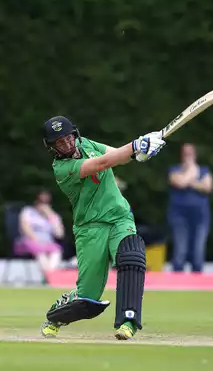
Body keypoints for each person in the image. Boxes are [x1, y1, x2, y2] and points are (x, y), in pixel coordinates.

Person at [39, 116, 165, 340]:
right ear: (52, 148)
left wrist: (138, 153)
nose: (67, 144)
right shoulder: (62, 169)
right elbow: (102, 163)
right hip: (90, 229)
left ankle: (128, 321)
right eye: (59, 142)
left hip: (119, 218)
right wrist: (136, 145)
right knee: (87, 299)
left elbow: (115, 154)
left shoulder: (86, 143)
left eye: (68, 138)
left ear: (74, 135)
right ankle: (56, 315)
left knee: (132, 257)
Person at [167, 143, 213, 272]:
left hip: (200, 216)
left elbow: (208, 187)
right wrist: (192, 173)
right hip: (179, 216)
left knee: (198, 250)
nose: (188, 156)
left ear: (195, 155)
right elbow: (179, 183)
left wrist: (188, 181)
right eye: (185, 154)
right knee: (180, 249)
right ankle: (177, 279)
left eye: (190, 153)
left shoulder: (205, 170)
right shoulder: (174, 169)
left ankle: (198, 280)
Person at [17, 189, 65, 277]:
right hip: (30, 241)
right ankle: (49, 277)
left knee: (56, 251)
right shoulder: (28, 211)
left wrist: (51, 217)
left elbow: (59, 234)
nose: (43, 205)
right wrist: (36, 239)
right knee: (40, 251)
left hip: (48, 242)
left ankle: (50, 276)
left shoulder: (53, 216)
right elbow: (25, 227)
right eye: (41, 202)